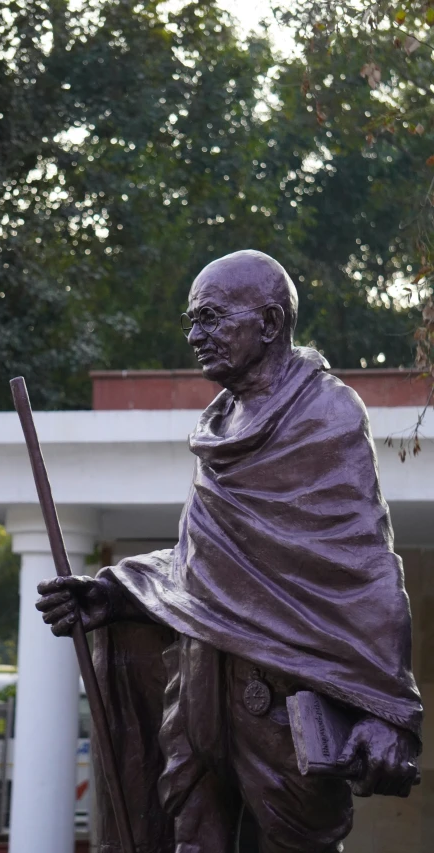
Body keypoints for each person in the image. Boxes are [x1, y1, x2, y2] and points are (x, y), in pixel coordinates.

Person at [37, 250, 422, 853]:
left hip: (282, 704)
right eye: (191, 321)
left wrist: (384, 711)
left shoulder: (325, 414)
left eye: (212, 319)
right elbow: (206, 570)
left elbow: (365, 570)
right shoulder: (219, 424)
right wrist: (116, 593)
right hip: (195, 691)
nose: (195, 337)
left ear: (269, 323)